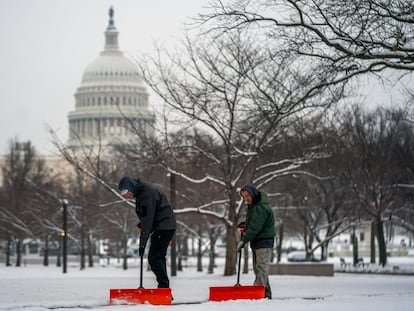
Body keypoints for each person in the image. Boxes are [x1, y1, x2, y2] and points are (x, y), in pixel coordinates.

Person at [118, 176, 176, 289]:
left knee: (154, 258)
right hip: (164, 226)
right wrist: (142, 225)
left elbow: (148, 219)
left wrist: (142, 244)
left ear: (131, 187)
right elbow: (148, 217)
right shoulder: (142, 193)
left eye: (126, 191)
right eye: (124, 193)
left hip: (164, 227)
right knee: (158, 257)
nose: (127, 195)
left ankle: (164, 288)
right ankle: (164, 289)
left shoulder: (146, 194)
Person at [237, 184, 275, 299]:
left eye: (247, 195)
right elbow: (254, 224)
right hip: (258, 242)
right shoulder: (255, 206)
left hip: (263, 242)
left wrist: (243, 240)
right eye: (244, 197)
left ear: (253, 193)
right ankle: (266, 294)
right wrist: (246, 225)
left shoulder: (260, 207)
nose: (246, 199)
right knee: (259, 269)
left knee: (261, 268)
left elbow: (255, 228)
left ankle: (257, 295)